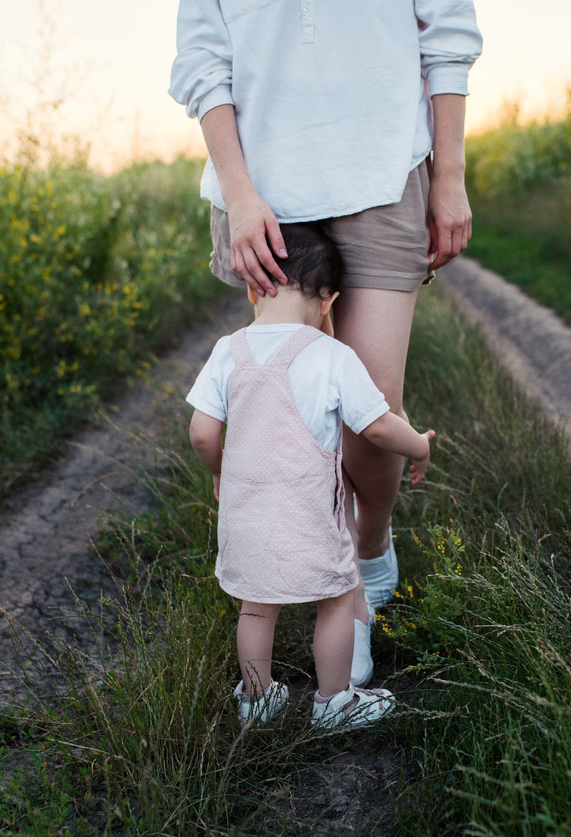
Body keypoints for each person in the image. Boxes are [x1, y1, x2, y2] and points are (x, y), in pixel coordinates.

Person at [170, 0, 482, 682]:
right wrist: (240, 192)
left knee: (369, 406)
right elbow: (202, 58)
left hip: (380, 168)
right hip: (260, 187)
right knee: (282, 402)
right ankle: (308, 581)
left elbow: (448, 27)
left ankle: (363, 554)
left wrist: (450, 175)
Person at [186, 224, 435, 727]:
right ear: (329, 301)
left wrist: (218, 470)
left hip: (247, 518)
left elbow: (201, 434)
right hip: (313, 516)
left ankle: (256, 701)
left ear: (255, 288)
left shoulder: (226, 350)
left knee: (256, 606)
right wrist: (420, 447)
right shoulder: (332, 356)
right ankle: (333, 702)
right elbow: (380, 428)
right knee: (339, 599)